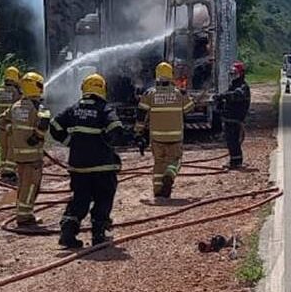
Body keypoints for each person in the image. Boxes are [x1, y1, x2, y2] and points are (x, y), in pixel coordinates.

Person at [49, 73, 126, 248]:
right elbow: (116, 129)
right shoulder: (104, 108)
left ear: (84, 88)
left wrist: (71, 143)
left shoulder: (74, 109)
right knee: (103, 197)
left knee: (79, 198)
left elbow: (54, 126)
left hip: (78, 166)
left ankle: (68, 232)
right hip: (102, 167)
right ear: (102, 89)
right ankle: (98, 233)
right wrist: (107, 143)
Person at [0, 71, 50, 230]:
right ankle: (24, 217)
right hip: (33, 157)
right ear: (37, 87)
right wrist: (36, 137)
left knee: (23, 185)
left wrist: (12, 130)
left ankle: (24, 214)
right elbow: (44, 122)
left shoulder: (16, 106)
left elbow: (2, 120)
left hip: (19, 156)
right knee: (31, 187)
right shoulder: (39, 107)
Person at [135, 61, 194, 198]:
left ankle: (158, 190)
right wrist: (185, 94)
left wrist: (138, 134)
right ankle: (170, 175)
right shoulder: (178, 93)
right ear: (171, 76)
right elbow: (189, 109)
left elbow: (141, 115)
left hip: (157, 138)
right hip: (175, 137)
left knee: (159, 163)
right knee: (175, 161)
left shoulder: (149, 94)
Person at [216, 60, 251, 168]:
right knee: (230, 141)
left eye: (235, 73)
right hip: (230, 117)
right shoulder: (233, 85)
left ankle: (236, 162)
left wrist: (224, 96)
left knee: (233, 140)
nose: (233, 76)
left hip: (236, 118)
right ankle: (234, 161)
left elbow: (236, 95)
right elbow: (229, 96)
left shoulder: (243, 86)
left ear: (241, 73)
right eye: (231, 74)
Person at [0, 66, 22, 182]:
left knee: (4, 149)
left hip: (0, 125)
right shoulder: (15, 92)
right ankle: (9, 173)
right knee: (12, 149)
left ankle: (3, 170)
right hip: (11, 126)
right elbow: (19, 106)